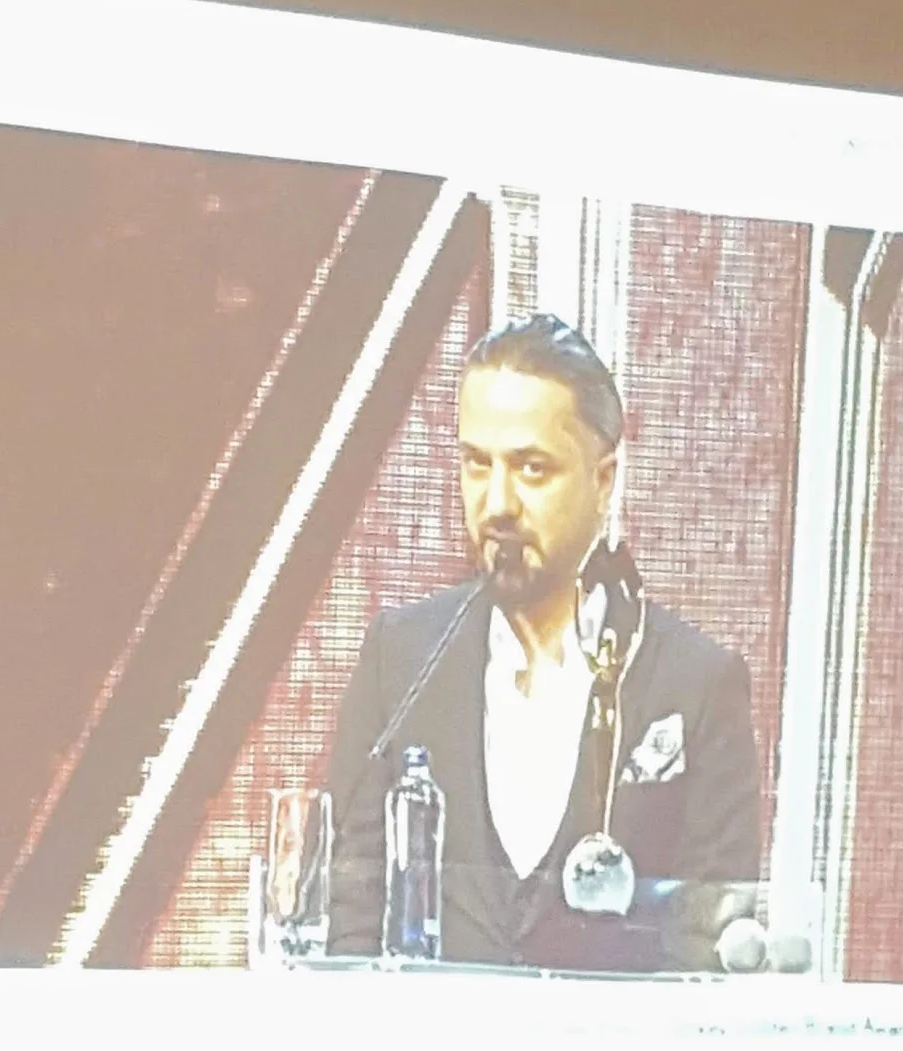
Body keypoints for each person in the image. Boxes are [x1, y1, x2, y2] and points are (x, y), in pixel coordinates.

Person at [326, 313, 761, 971]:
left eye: (531, 468)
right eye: (477, 464)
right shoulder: (400, 660)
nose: (496, 503)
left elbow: (713, 960)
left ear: (603, 480)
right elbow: (347, 928)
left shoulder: (695, 684)